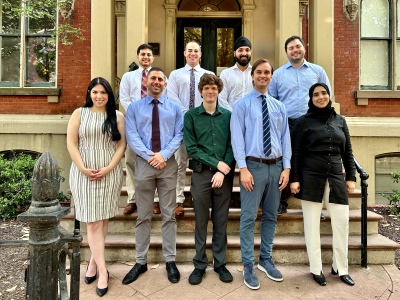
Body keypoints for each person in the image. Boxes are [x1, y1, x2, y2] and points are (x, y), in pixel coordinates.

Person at [231, 59, 291, 290]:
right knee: (248, 217)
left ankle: (265, 258)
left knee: (271, 215)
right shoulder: (242, 105)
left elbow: (285, 137)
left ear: (271, 77)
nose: (263, 76)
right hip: (253, 168)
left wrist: (286, 167)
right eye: (259, 72)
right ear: (252, 76)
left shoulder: (279, 106)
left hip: (276, 167)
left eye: (267, 72)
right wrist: (243, 168)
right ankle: (248, 263)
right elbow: (237, 139)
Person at [290, 83, 356, 287]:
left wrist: (351, 177)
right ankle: (316, 268)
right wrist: (294, 179)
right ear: (311, 98)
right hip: (310, 178)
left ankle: (341, 267)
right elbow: (296, 153)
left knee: (341, 223)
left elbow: (348, 152)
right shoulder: (303, 122)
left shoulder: (340, 120)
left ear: (329, 95)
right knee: (311, 225)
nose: (320, 97)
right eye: (316, 94)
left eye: (324, 93)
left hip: (336, 178)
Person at [122, 67, 183, 285]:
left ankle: (170, 260)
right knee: (143, 215)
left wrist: (163, 155)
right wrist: (151, 156)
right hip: (144, 165)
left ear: (165, 84)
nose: (157, 82)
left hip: (167, 165)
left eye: (161, 79)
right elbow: (132, 136)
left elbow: (179, 135)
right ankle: (140, 261)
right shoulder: (134, 109)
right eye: (153, 78)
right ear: (146, 81)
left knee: (169, 215)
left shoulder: (175, 109)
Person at [67, 77, 126, 297]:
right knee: (91, 223)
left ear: (109, 95)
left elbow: (121, 146)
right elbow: (71, 143)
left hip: (108, 174)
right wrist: (82, 168)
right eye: (95, 92)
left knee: (101, 221)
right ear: (89, 93)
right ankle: (103, 272)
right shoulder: (78, 114)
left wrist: (109, 167)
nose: (99, 96)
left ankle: (92, 264)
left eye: (103, 92)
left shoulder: (117, 116)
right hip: (84, 174)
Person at [268, 35, 331, 215]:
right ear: (286, 52)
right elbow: (272, 101)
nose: (295, 50)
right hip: (286, 124)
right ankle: (282, 202)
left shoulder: (317, 71)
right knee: (284, 161)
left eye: (297, 46)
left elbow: (326, 96)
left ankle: (312, 206)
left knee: (311, 163)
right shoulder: (278, 74)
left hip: (312, 123)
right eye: (291, 48)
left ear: (304, 48)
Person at [184, 73, 234, 285]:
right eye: (206, 88)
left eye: (214, 88)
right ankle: (199, 264)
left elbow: (233, 145)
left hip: (224, 175)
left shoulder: (228, 116)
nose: (210, 91)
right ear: (201, 91)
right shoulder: (191, 116)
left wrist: (223, 171)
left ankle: (220, 263)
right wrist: (216, 166)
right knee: (201, 221)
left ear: (218, 90)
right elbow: (192, 148)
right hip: (201, 174)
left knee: (221, 220)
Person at [168, 41, 215, 217]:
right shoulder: (175, 75)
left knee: (203, 163)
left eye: (196, 51)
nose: (193, 54)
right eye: (190, 51)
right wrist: (189, 116)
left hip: (203, 125)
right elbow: (172, 98)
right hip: (181, 124)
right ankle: (178, 199)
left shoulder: (208, 74)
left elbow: (212, 96)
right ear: (184, 53)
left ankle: (201, 199)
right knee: (180, 163)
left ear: (200, 54)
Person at [119, 43, 162, 215]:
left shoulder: (158, 76)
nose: (145, 57)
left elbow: (162, 97)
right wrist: (139, 112)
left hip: (154, 123)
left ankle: (155, 200)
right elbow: (124, 99)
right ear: (138, 57)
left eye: (148, 55)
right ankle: (133, 199)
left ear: (153, 58)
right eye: (142, 54)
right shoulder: (128, 77)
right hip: (134, 124)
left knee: (155, 161)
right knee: (131, 161)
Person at [218, 36, 253, 111]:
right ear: (234, 53)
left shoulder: (256, 73)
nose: (244, 53)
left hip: (252, 118)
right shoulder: (226, 74)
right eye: (240, 50)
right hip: (231, 118)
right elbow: (222, 100)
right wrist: (234, 115)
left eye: (247, 50)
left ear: (251, 53)